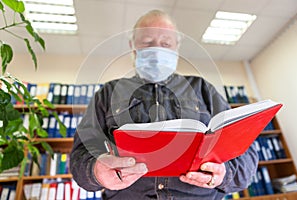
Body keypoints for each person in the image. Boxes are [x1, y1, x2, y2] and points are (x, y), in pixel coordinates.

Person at [70, 9, 258, 200]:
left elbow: (245, 153)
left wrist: (223, 174)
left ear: (177, 47)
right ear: (132, 46)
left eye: (166, 43)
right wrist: (95, 171)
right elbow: (79, 156)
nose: (157, 50)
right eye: (147, 43)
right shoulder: (107, 93)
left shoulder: (203, 89)